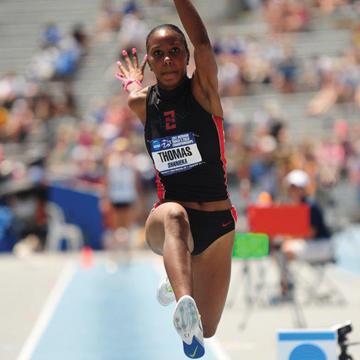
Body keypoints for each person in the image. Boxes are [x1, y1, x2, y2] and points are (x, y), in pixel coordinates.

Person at [115, 1, 237, 358]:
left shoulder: (203, 92)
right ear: (150, 62)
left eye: (174, 52)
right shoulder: (142, 104)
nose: (167, 59)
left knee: (208, 328)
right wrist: (133, 85)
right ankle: (182, 295)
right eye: (158, 54)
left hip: (216, 223)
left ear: (186, 57)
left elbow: (203, 43)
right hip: (168, 219)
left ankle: (177, 277)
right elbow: (136, 94)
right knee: (173, 215)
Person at [276, 169, 333, 298]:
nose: (293, 191)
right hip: (310, 244)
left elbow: (310, 233)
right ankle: (287, 284)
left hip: (321, 245)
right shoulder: (294, 205)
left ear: (303, 189)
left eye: (296, 188)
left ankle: (287, 286)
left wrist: (288, 237)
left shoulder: (310, 206)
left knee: (285, 251)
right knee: (279, 251)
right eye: (291, 188)